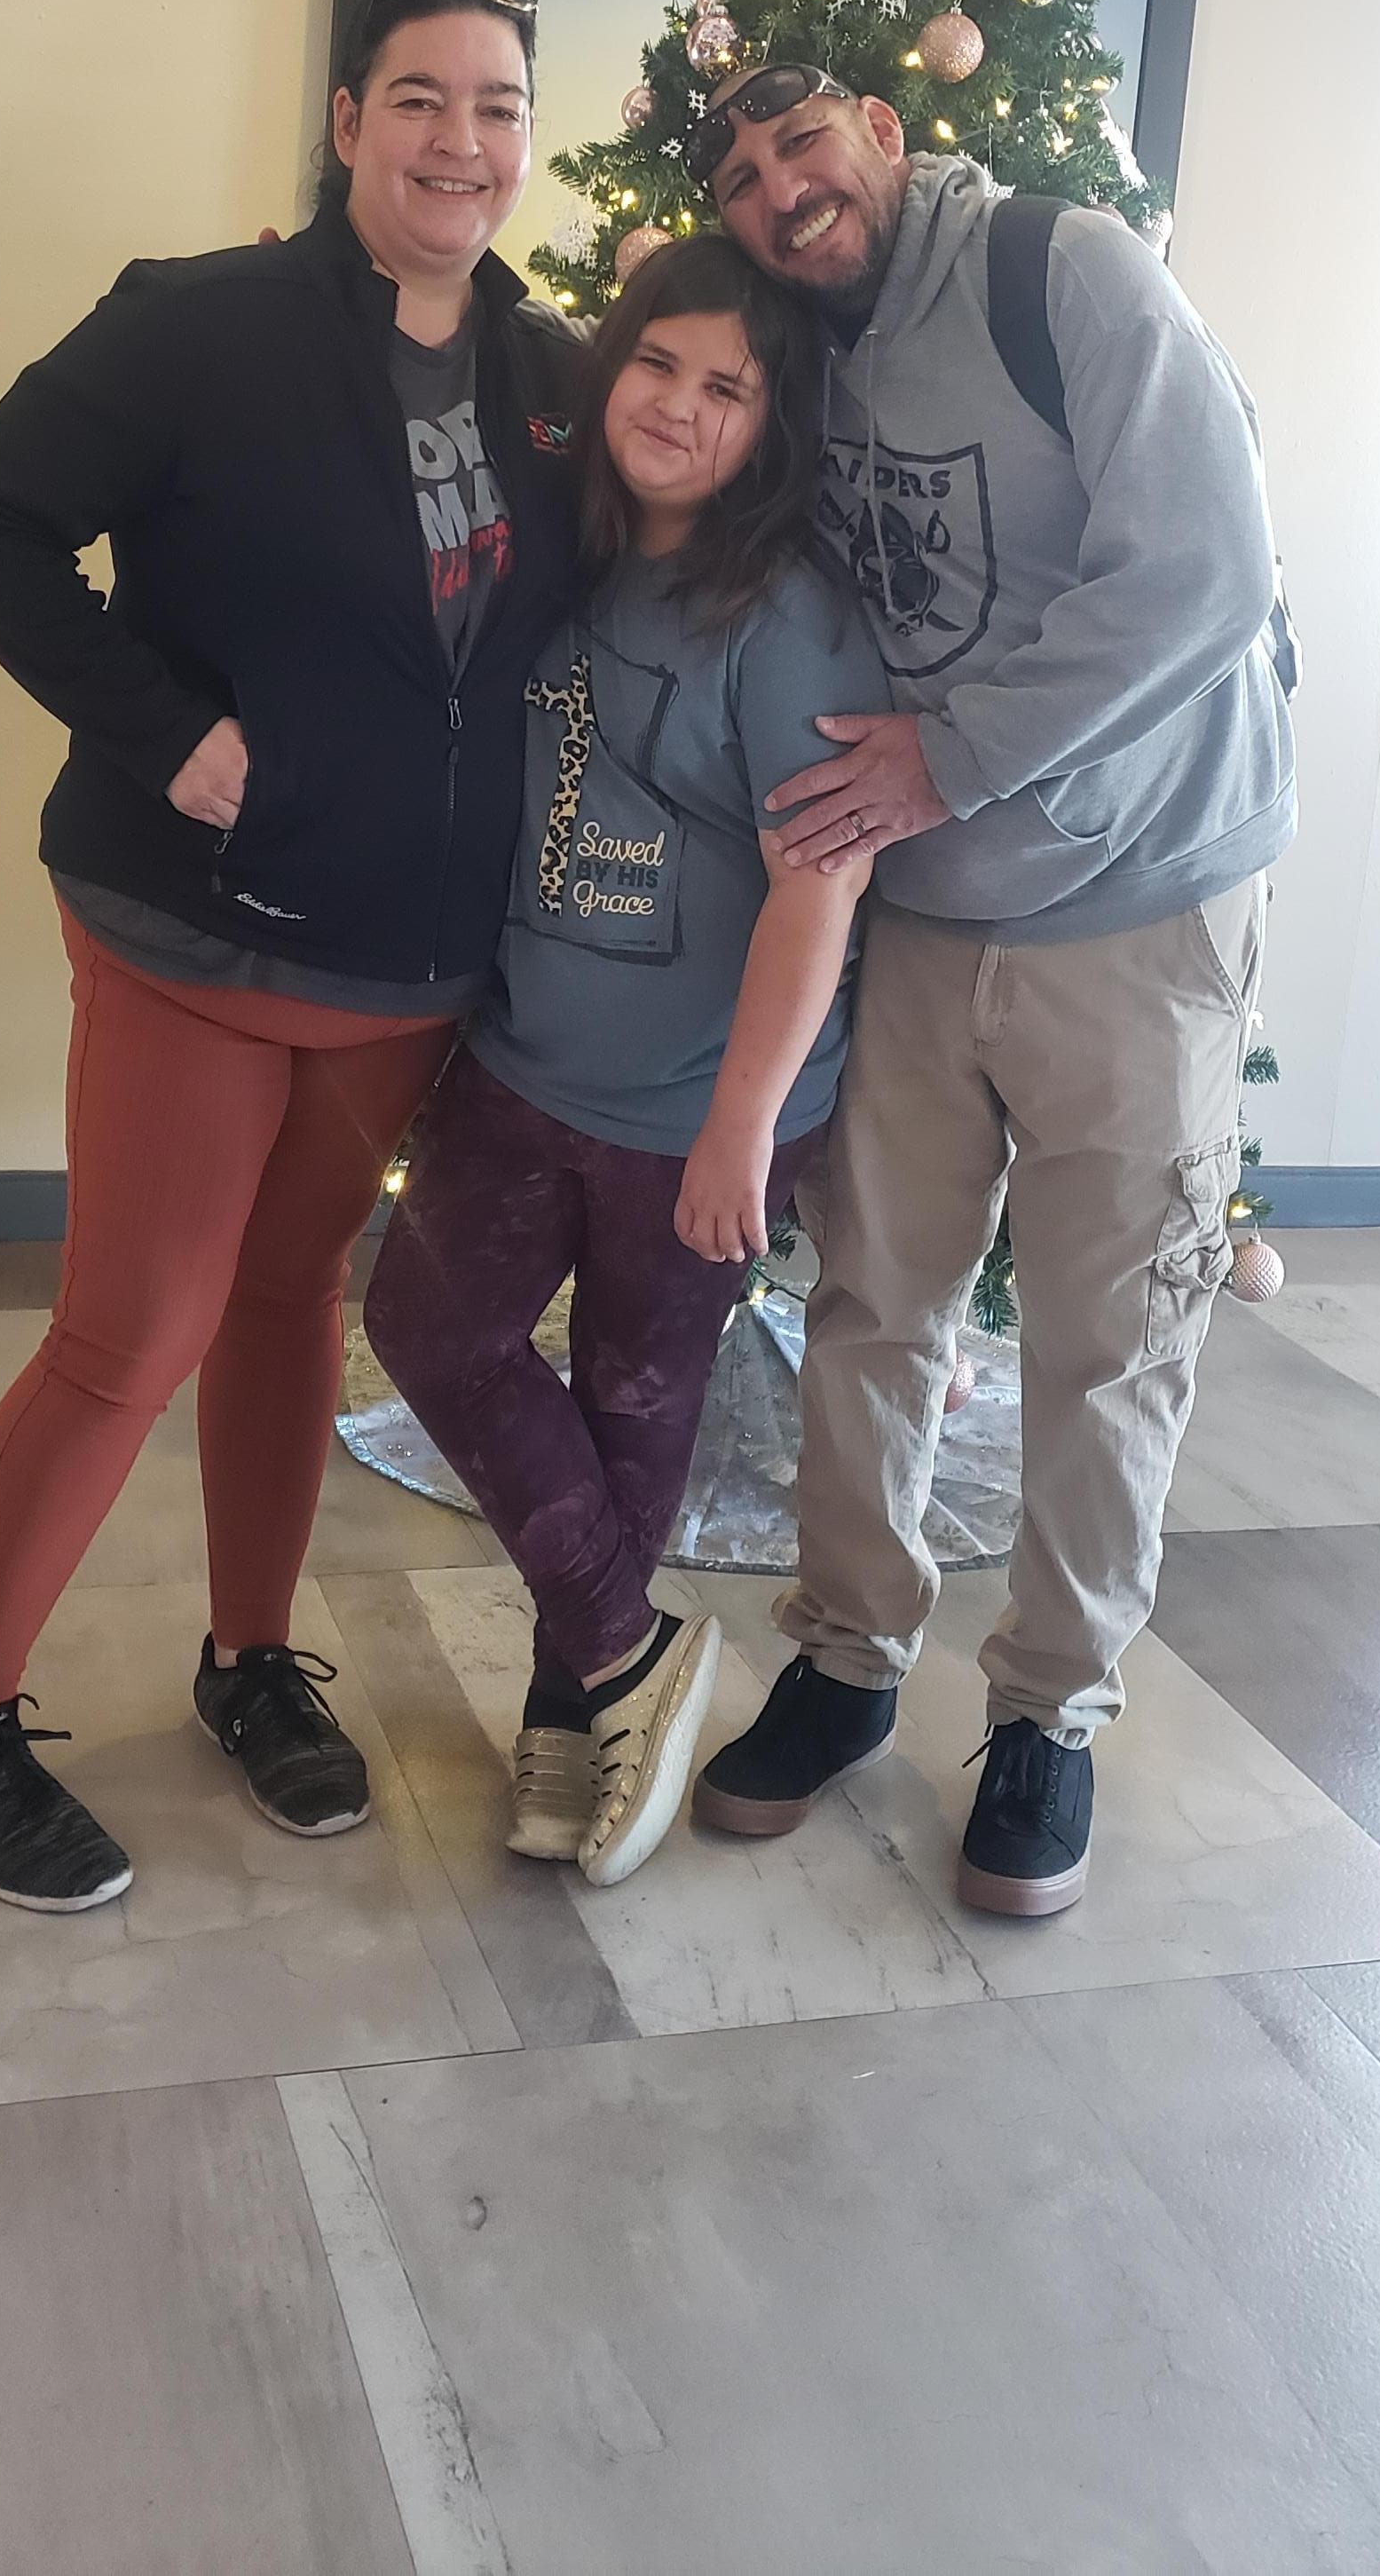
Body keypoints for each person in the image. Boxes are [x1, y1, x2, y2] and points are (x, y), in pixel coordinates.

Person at [0, 0, 583, 1913]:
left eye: (500, 107)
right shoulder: (196, 322)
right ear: (349, 120)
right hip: (185, 930)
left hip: (404, 962)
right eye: (423, 97)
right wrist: (162, 727)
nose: (464, 139)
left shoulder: (555, 380)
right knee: (133, 1331)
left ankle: (247, 1658)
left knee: (292, 1307)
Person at [683, 64, 1296, 1917]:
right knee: (874, 1302)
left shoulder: (1066, 273)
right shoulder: (792, 347)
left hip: (1141, 897)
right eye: (737, 177)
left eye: (800, 145)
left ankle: (1046, 1713)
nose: (779, 190)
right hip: (925, 911)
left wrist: (950, 757)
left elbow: (1205, 566)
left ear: (875, 126)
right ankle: (848, 1656)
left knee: (1112, 1337)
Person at [364, 232, 890, 1888]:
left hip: (694, 1115)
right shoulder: (563, 560)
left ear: (768, 429)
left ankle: (568, 1706)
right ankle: (629, 1654)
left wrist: (742, 1126)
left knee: (633, 1412)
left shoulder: (789, 616)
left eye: (726, 389)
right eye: (656, 363)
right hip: (523, 1064)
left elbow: (826, 875)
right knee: (424, 1323)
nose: (677, 405)